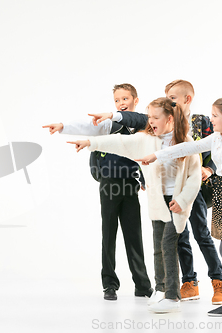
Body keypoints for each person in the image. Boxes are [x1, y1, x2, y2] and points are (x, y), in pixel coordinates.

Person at [68, 97, 201, 313]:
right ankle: (160, 289)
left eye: (155, 117)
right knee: (159, 247)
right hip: (157, 201)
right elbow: (120, 143)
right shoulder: (147, 140)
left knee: (169, 246)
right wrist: (91, 143)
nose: (150, 121)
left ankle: (172, 295)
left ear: (169, 119)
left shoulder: (185, 141)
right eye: (149, 117)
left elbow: (194, 178)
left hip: (176, 203)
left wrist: (183, 201)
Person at [138, 97, 222, 316]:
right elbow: (190, 147)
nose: (211, 119)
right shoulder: (217, 138)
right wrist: (156, 155)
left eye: (215, 116)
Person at [43, 84, 152, 301]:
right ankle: (109, 285)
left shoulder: (143, 124)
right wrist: (63, 126)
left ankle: (142, 285)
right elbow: (86, 126)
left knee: (134, 235)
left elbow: (143, 126)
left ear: (135, 100)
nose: (121, 104)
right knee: (108, 235)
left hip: (130, 184)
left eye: (125, 99)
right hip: (109, 184)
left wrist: (144, 179)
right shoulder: (109, 123)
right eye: (117, 101)